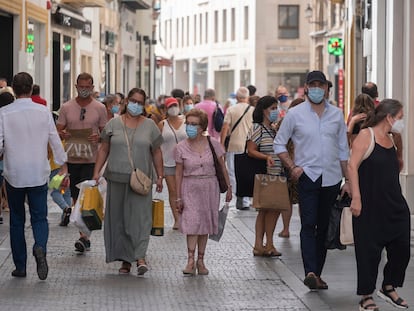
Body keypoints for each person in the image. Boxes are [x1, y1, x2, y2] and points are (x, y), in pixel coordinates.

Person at [274, 70, 350, 290]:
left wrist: (349, 180)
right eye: (313, 85)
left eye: (321, 85)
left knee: (324, 226)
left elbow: (343, 150)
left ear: (327, 88)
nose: (317, 88)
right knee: (308, 224)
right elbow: (280, 143)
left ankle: (317, 273)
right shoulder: (295, 114)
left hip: (332, 177)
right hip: (308, 176)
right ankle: (310, 270)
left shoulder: (336, 114)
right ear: (306, 88)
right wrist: (292, 167)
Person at [0, 72, 67, 280]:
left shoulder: (3, 113)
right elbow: (55, 140)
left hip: (14, 174)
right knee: (40, 217)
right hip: (38, 172)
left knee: (17, 220)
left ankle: (20, 266)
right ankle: (40, 247)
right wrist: (63, 165)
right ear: (30, 89)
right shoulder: (43, 112)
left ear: (14, 88)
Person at [93, 87, 164, 276]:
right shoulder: (113, 124)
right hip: (116, 178)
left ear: (144, 105)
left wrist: (160, 175)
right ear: (126, 102)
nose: (136, 105)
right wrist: (96, 172)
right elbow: (103, 149)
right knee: (119, 221)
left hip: (141, 181)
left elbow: (156, 152)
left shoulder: (150, 126)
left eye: (140, 102)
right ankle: (125, 260)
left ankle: (140, 256)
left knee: (140, 218)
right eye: (133, 101)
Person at [348, 99, 410, 311]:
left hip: (394, 203)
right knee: (368, 252)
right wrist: (356, 197)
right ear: (389, 117)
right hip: (369, 205)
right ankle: (366, 296)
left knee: (402, 246)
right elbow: (352, 166)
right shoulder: (367, 136)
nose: (401, 122)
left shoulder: (393, 138)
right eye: (400, 118)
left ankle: (388, 285)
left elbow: (396, 165)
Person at [175, 108, 232, 275]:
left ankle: (201, 260)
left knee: (205, 223)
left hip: (210, 187)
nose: (190, 127)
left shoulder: (213, 143)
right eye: (188, 124)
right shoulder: (180, 147)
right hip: (190, 186)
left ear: (202, 127)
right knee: (192, 223)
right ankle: (190, 260)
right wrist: (178, 197)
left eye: (194, 124)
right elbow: (178, 173)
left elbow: (222, 166)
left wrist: (229, 187)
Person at [56, 72, 107, 253]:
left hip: (91, 159)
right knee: (76, 198)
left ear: (92, 88)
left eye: (88, 87)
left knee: (87, 197)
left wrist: (98, 137)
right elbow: (58, 130)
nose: (84, 90)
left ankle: (84, 237)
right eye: (81, 87)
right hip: (72, 159)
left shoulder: (100, 108)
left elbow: (105, 134)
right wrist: (63, 134)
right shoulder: (66, 107)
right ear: (76, 87)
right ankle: (83, 234)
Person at [247, 96, 284, 257]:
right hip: (266, 175)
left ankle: (265, 244)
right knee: (266, 210)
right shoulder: (258, 128)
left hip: (277, 174)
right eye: (272, 108)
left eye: (277, 108)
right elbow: (251, 150)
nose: (275, 111)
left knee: (272, 210)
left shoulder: (273, 128)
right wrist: (266, 157)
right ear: (263, 110)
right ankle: (263, 244)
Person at [220, 87, 254, 210]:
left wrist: (221, 144)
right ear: (248, 97)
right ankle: (245, 199)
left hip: (234, 145)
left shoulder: (231, 109)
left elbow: (225, 128)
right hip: (248, 146)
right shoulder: (253, 110)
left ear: (237, 98)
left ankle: (238, 195)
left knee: (233, 172)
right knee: (247, 172)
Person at [158, 97, 187, 229]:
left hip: (186, 162)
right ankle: (177, 219)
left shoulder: (187, 121)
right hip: (168, 162)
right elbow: (157, 145)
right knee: (173, 191)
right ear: (166, 109)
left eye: (175, 105)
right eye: (170, 106)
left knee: (185, 190)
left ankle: (186, 216)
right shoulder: (162, 124)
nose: (173, 108)